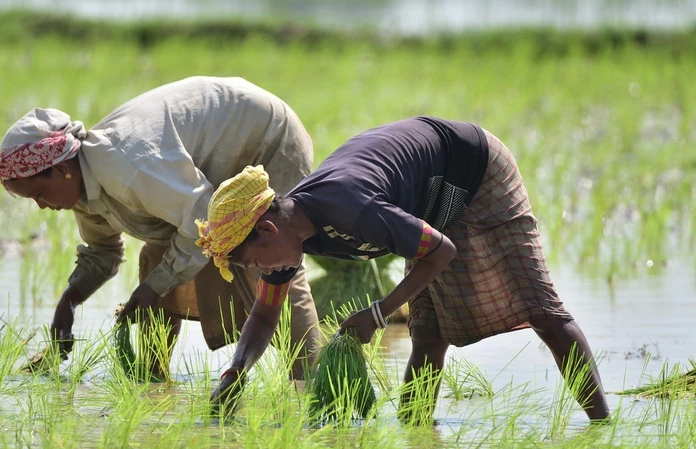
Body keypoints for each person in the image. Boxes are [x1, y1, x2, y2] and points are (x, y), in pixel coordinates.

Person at [197, 116, 610, 422]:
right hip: (425, 202)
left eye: (253, 262)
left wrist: (377, 315)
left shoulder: (348, 207)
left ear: (266, 229)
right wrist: (237, 369)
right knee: (428, 331)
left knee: (541, 310)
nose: (259, 271)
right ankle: (418, 435)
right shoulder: (288, 238)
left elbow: (441, 250)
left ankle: (601, 424)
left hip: (475, 171)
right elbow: (266, 314)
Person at [0, 76, 321, 378]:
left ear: (62, 170)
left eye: (40, 193)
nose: (43, 205)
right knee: (157, 261)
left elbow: (201, 220)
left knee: (274, 268)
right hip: (209, 168)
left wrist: (151, 288)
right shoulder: (84, 189)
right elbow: (103, 253)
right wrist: (69, 302)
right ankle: (152, 378)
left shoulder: (126, 167)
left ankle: (315, 388)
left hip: (265, 139)